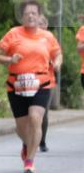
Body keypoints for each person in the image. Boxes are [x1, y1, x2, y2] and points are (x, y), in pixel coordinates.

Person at [0, 1, 62, 173]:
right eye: (27, 13)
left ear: (39, 16)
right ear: (22, 17)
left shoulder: (47, 36)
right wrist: (10, 60)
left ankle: (30, 160)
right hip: (16, 85)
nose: (30, 16)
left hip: (42, 83)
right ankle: (27, 143)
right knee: (21, 127)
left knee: (35, 118)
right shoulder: (13, 33)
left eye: (34, 13)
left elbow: (58, 53)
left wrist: (57, 63)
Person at [37, 14, 59, 152]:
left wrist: (55, 63)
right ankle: (29, 140)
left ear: (46, 25)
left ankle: (42, 141)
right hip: (29, 82)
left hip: (47, 82)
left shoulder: (49, 38)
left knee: (43, 114)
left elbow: (57, 55)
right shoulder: (27, 38)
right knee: (30, 114)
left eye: (41, 23)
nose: (38, 26)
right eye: (36, 23)